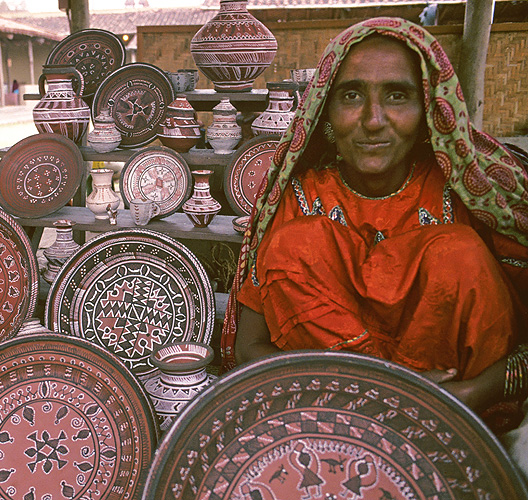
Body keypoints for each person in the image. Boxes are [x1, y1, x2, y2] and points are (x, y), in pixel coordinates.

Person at [222, 17, 528, 440]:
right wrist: (368, 394)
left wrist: (471, 393)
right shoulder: (300, 197)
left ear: (427, 109)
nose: (373, 120)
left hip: (455, 424)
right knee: (298, 245)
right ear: (325, 109)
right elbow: (249, 347)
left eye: (397, 95)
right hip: (335, 423)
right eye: (351, 95)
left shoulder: (467, 196)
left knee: (455, 253)